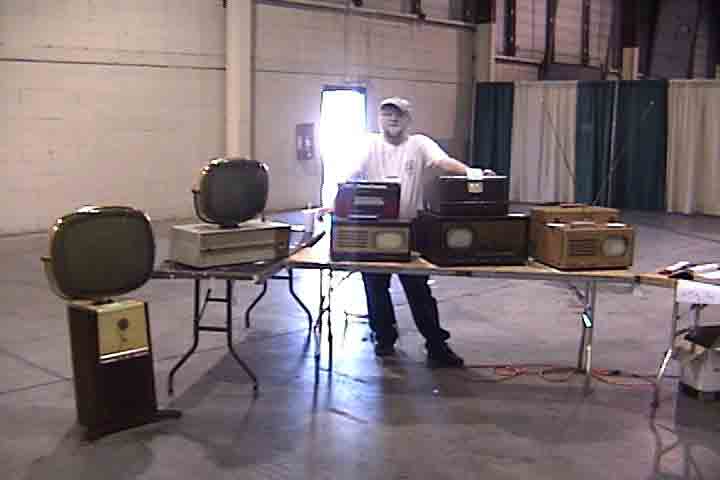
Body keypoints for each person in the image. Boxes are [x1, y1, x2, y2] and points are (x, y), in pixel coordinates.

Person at [342, 96, 494, 368]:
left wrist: (474, 173)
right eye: (387, 114)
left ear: (408, 119)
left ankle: (436, 345)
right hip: (375, 228)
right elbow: (351, 171)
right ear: (379, 118)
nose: (393, 119)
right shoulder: (368, 144)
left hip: (410, 228)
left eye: (398, 114)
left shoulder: (419, 143)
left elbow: (443, 162)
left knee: (418, 289)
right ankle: (384, 337)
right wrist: (335, 199)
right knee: (375, 288)